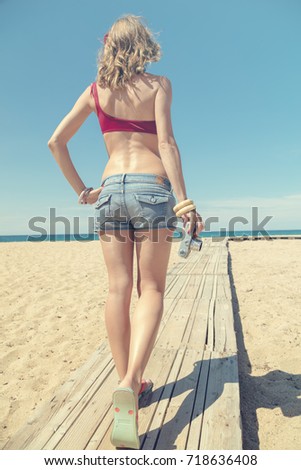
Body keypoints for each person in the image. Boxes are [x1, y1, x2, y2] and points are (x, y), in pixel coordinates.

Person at [48, 14, 204, 449]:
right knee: (150, 289)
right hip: (151, 188)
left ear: (108, 47)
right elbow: (168, 144)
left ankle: (127, 386)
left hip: (110, 189)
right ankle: (133, 378)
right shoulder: (159, 85)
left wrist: (83, 191)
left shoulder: (96, 91)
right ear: (143, 45)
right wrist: (186, 201)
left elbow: (55, 142)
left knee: (118, 289)